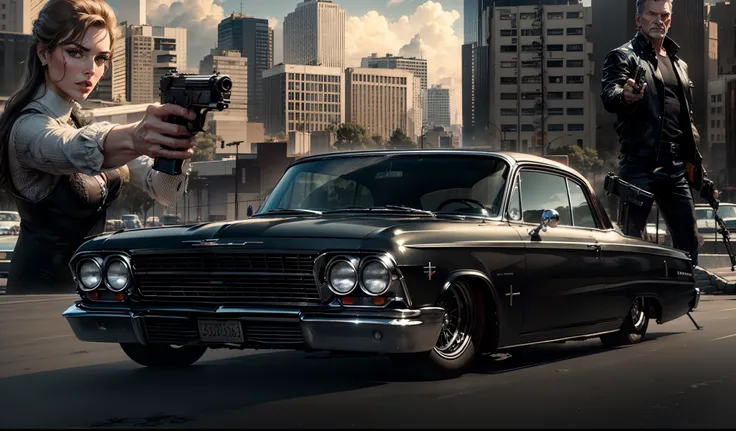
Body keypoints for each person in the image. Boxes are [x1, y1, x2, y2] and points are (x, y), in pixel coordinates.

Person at [0, 0, 198, 294]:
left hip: (92, 289)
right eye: (76, 53)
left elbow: (165, 192)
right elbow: (69, 148)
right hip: (35, 295)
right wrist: (137, 136)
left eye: (101, 58)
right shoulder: (27, 128)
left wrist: (177, 145)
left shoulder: (79, 123)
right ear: (44, 53)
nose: (91, 69)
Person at [600, 0, 709, 266]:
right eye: (652, 14)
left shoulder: (679, 64)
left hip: (676, 167)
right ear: (639, 20)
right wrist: (626, 96)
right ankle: (634, 303)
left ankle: (673, 300)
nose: (659, 20)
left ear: (670, 19)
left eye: (664, 15)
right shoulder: (624, 56)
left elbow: (686, 122)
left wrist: (699, 173)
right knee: (630, 244)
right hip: (640, 164)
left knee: (689, 243)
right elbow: (610, 94)